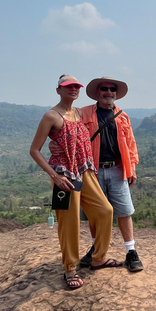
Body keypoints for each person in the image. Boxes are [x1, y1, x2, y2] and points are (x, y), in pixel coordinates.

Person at [30, 75, 123, 290]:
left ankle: (98, 257)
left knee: (105, 211)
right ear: (58, 90)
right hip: (64, 176)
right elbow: (34, 150)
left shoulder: (80, 113)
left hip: (85, 171)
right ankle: (70, 268)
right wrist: (54, 176)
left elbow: (106, 105)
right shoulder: (51, 116)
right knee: (69, 223)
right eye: (67, 86)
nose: (73, 89)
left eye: (76, 86)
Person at [52, 76, 144, 272]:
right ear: (98, 92)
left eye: (112, 89)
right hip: (92, 171)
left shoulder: (123, 116)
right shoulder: (83, 113)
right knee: (97, 213)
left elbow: (130, 145)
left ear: (116, 94)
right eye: (104, 89)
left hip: (118, 169)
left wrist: (132, 169)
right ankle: (96, 250)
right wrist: (56, 144)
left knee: (124, 211)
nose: (108, 92)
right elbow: (65, 125)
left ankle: (130, 251)